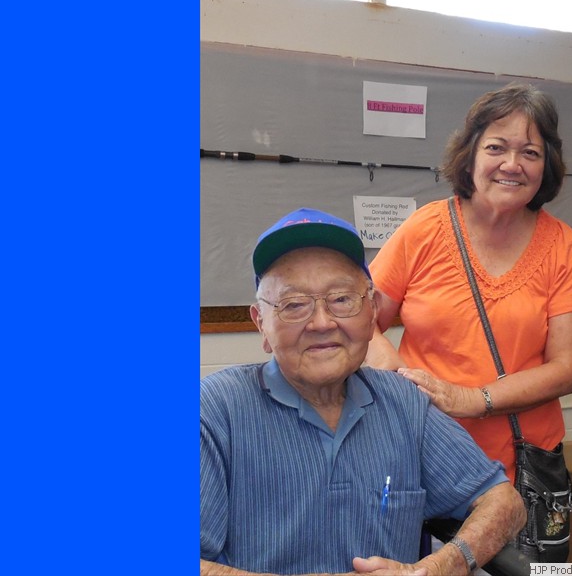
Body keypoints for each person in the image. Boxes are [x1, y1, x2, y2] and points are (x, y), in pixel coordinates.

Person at [200, 207, 526, 576]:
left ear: (371, 314)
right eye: (293, 305)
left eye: (341, 299)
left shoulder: (404, 402)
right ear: (261, 325)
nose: (322, 323)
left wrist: (443, 565)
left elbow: (504, 501)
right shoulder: (215, 409)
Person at [366, 82, 572, 484]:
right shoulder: (424, 229)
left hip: (522, 466)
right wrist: (398, 379)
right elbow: (360, 321)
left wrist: (472, 400)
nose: (512, 163)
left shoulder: (563, 246)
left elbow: (566, 369)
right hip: (424, 453)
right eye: (496, 147)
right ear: (469, 155)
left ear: (547, 167)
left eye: (531, 152)